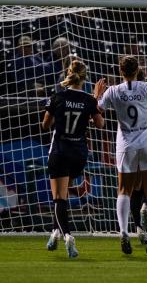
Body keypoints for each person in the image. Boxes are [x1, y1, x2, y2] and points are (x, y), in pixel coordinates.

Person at [94, 56, 147, 255]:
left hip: (126, 143)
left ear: (121, 72)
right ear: (138, 69)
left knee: (124, 190)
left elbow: (96, 111)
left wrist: (96, 95)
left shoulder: (112, 91)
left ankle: (123, 232)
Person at [42, 60, 104, 258]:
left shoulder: (58, 96)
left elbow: (45, 125)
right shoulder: (88, 100)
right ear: (85, 78)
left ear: (68, 74)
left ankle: (68, 236)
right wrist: (95, 99)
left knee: (59, 198)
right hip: (79, 154)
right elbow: (100, 124)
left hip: (60, 150)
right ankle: (54, 234)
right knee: (62, 196)